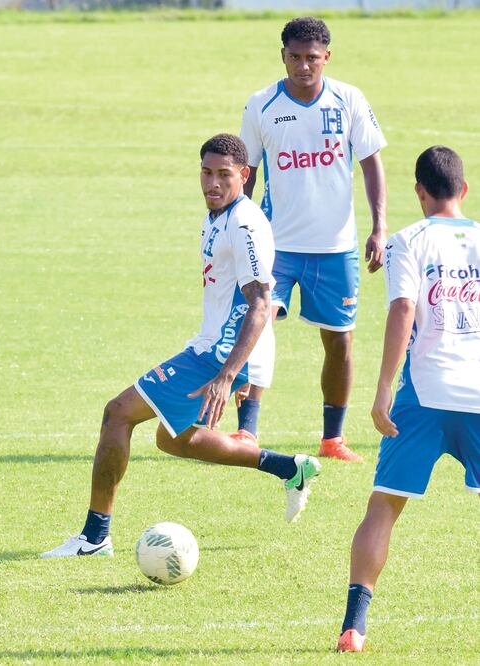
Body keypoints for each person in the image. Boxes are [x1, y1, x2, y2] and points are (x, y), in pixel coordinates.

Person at [41, 135, 322, 559]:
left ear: (244, 176)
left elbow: (261, 303)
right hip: (211, 346)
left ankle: (94, 537)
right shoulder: (219, 214)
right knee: (173, 440)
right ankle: (289, 467)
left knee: (117, 413)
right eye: (206, 173)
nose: (212, 183)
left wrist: (228, 374)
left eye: (224, 175)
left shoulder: (244, 224)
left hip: (217, 354)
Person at [337, 146, 480, 652]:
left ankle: (354, 627)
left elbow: (402, 309)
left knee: (383, 506)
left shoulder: (407, 240)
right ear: (463, 190)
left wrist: (381, 391)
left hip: (423, 397)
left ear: (419, 191)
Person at [237, 17, 388, 462]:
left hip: (336, 248)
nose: (304, 66)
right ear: (282, 55)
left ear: (327, 57)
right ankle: (247, 431)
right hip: (275, 244)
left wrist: (379, 227)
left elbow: (372, 164)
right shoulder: (261, 104)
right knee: (257, 328)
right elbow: (247, 174)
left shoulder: (349, 100)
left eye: (313, 58)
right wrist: (238, 229)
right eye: (295, 57)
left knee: (339, 342)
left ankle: (332, 439)